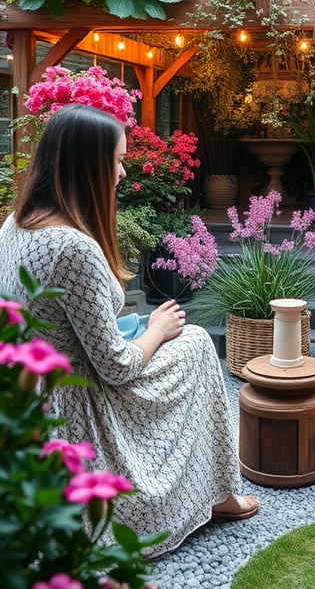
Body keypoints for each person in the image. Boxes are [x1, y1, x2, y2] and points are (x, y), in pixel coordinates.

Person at [0, 103, 258, 557]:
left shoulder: (14, 225)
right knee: (195, 342)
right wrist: (156, 328)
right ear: (88, 166)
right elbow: (116, 368)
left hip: (34, 395)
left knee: (181, 337)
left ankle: (215, 490)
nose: (121, 174)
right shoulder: (72, 247)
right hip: (80, 402)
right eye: (117, 161)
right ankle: (218, 494)